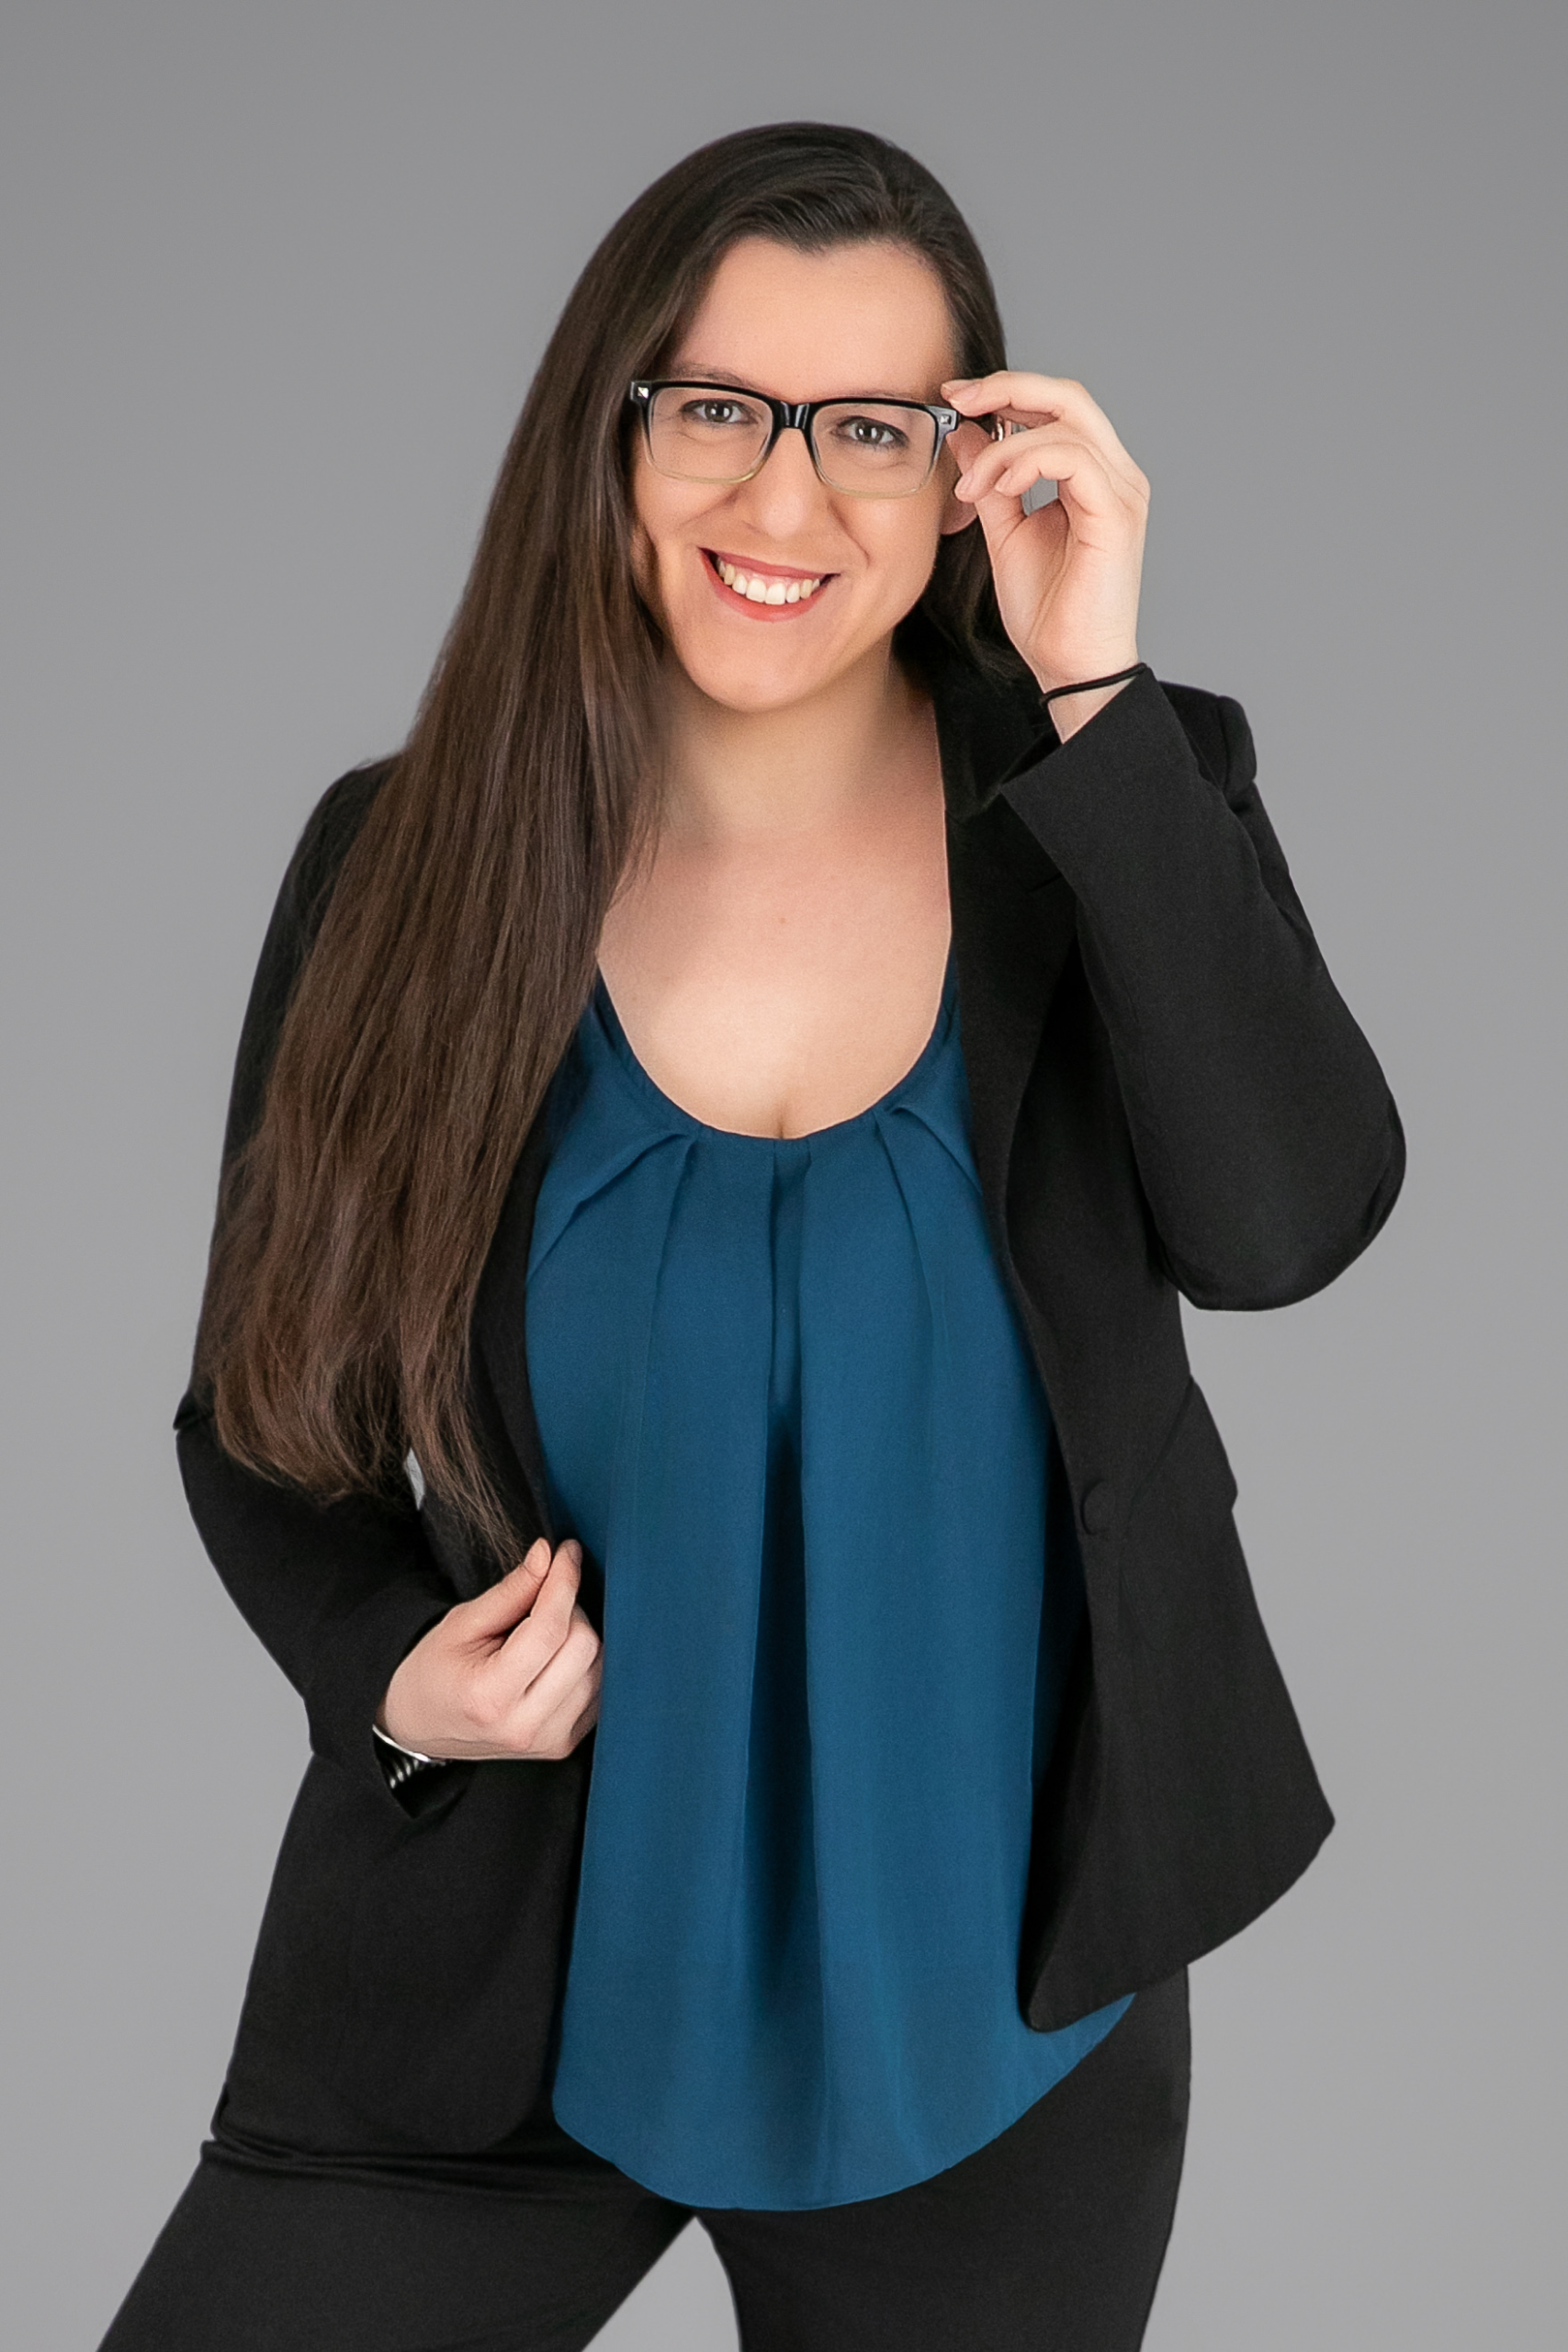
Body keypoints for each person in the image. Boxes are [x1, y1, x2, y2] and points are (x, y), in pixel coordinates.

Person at [99, 120, 1404, 2352]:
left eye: (869, 429)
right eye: (717, 406)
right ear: (612, 431)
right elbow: (265, 1417)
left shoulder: (1113, 805)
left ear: (969, 471)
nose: (783, 500)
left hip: (993, 2008)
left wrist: (1095, 693)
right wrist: (389, 1671)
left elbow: (1281, 1222)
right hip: (497, 1980)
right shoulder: (400, 868)